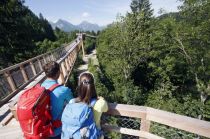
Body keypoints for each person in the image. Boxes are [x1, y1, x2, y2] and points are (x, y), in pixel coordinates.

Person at [61, 72, 108, 139]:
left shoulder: (72, 102)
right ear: (93, 85)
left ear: (79, 86)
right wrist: (101, 99)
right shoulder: (100, 103)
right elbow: (106, 109)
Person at [42, 61, 73, 139]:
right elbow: (73, 105)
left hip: (44, 130)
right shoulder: (64, 90)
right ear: (58, 73)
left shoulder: (40, 87)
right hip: (58, 130)